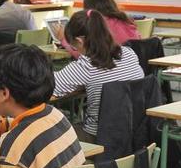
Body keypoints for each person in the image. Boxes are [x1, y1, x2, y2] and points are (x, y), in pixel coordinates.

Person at [53, 10, 144, 142]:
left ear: (80, 41)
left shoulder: (86, 66)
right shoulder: (129, 53)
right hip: (136, 134)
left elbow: (48, 86)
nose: (75, 51)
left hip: (100, 138)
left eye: (73, 47)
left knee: (48, 133)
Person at [60, 0, 141, 59]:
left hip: (111, 68)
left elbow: (87, 56)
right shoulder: (126, 20)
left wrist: (63, 40)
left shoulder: (99, 25)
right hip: (133, 65)